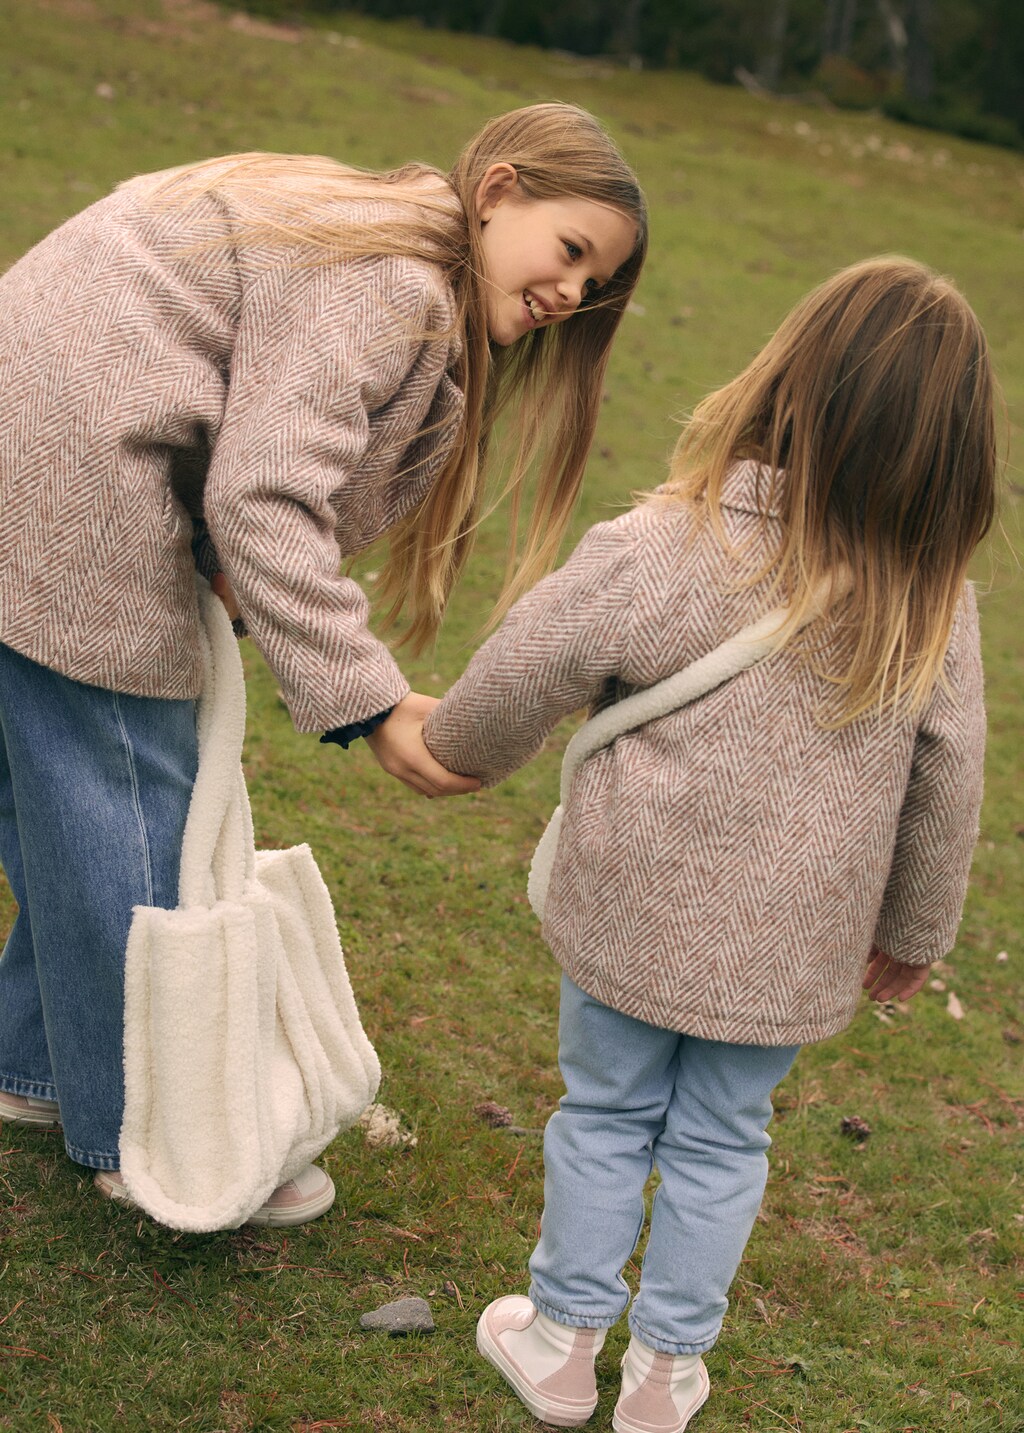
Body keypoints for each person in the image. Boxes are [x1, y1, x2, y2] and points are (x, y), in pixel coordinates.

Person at [0, 103, 647, 1227]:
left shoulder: (374, 228)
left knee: (66, 801)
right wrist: (373, 703)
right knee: (132, 807)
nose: (568, 295)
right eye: (571, 251)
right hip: (69, 481)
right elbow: (264, 491)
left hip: (41, 443)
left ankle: (33, 1068)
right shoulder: (395, 279)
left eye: (593, 287)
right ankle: (153, 1133)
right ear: (498, 190)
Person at [422, 256, 996, 1431]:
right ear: (952, 450)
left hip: (633, 904)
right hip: (791, 945)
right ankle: (666, 1374)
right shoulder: (931, 601)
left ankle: (562, 1339)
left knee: (603, 1111)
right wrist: (914, 931)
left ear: (786, 376)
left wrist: (467, 746)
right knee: (725, 1138)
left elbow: (528, 662)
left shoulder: (669, 539)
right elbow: (949, 778)